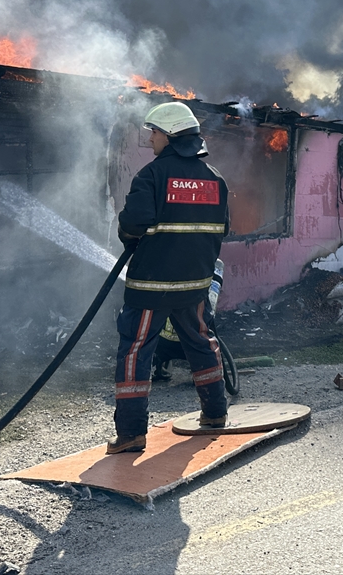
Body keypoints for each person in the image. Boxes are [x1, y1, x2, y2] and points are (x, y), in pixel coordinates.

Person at [108, 101, 230, 454]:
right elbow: (224, 228)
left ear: (170, 136)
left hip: (152, 287)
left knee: (135, 350)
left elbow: (133, 224)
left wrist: (128, 233)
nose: (150, 139)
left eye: (154, 133)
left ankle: (131, 433)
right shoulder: (215, 179)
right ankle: (215, 414)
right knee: (201, 342)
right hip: (195, 285)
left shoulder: (152, 175)